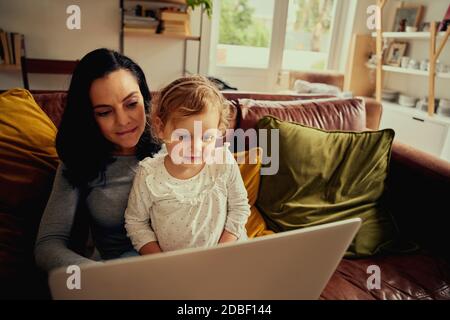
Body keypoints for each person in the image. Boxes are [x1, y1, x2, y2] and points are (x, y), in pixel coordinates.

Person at [34, 48, 161, 272]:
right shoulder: (79, 160)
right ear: (89, 116)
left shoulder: (177, 147)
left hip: (179, 272)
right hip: (113, 278)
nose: (123, 121)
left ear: (145, 98)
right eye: (104, 112)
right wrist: (100, 274)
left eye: (131, 104)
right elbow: (48, 245)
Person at [124, 75, 250, 255]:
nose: (196, 147)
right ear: (161, 127)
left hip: (225, 256)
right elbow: (136, 223)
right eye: (183, 136)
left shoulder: (223, 161)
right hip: (171, 267)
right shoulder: (149, 174)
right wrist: (161, 261)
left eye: (207, 137)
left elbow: (240, 208)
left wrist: (220, 253)